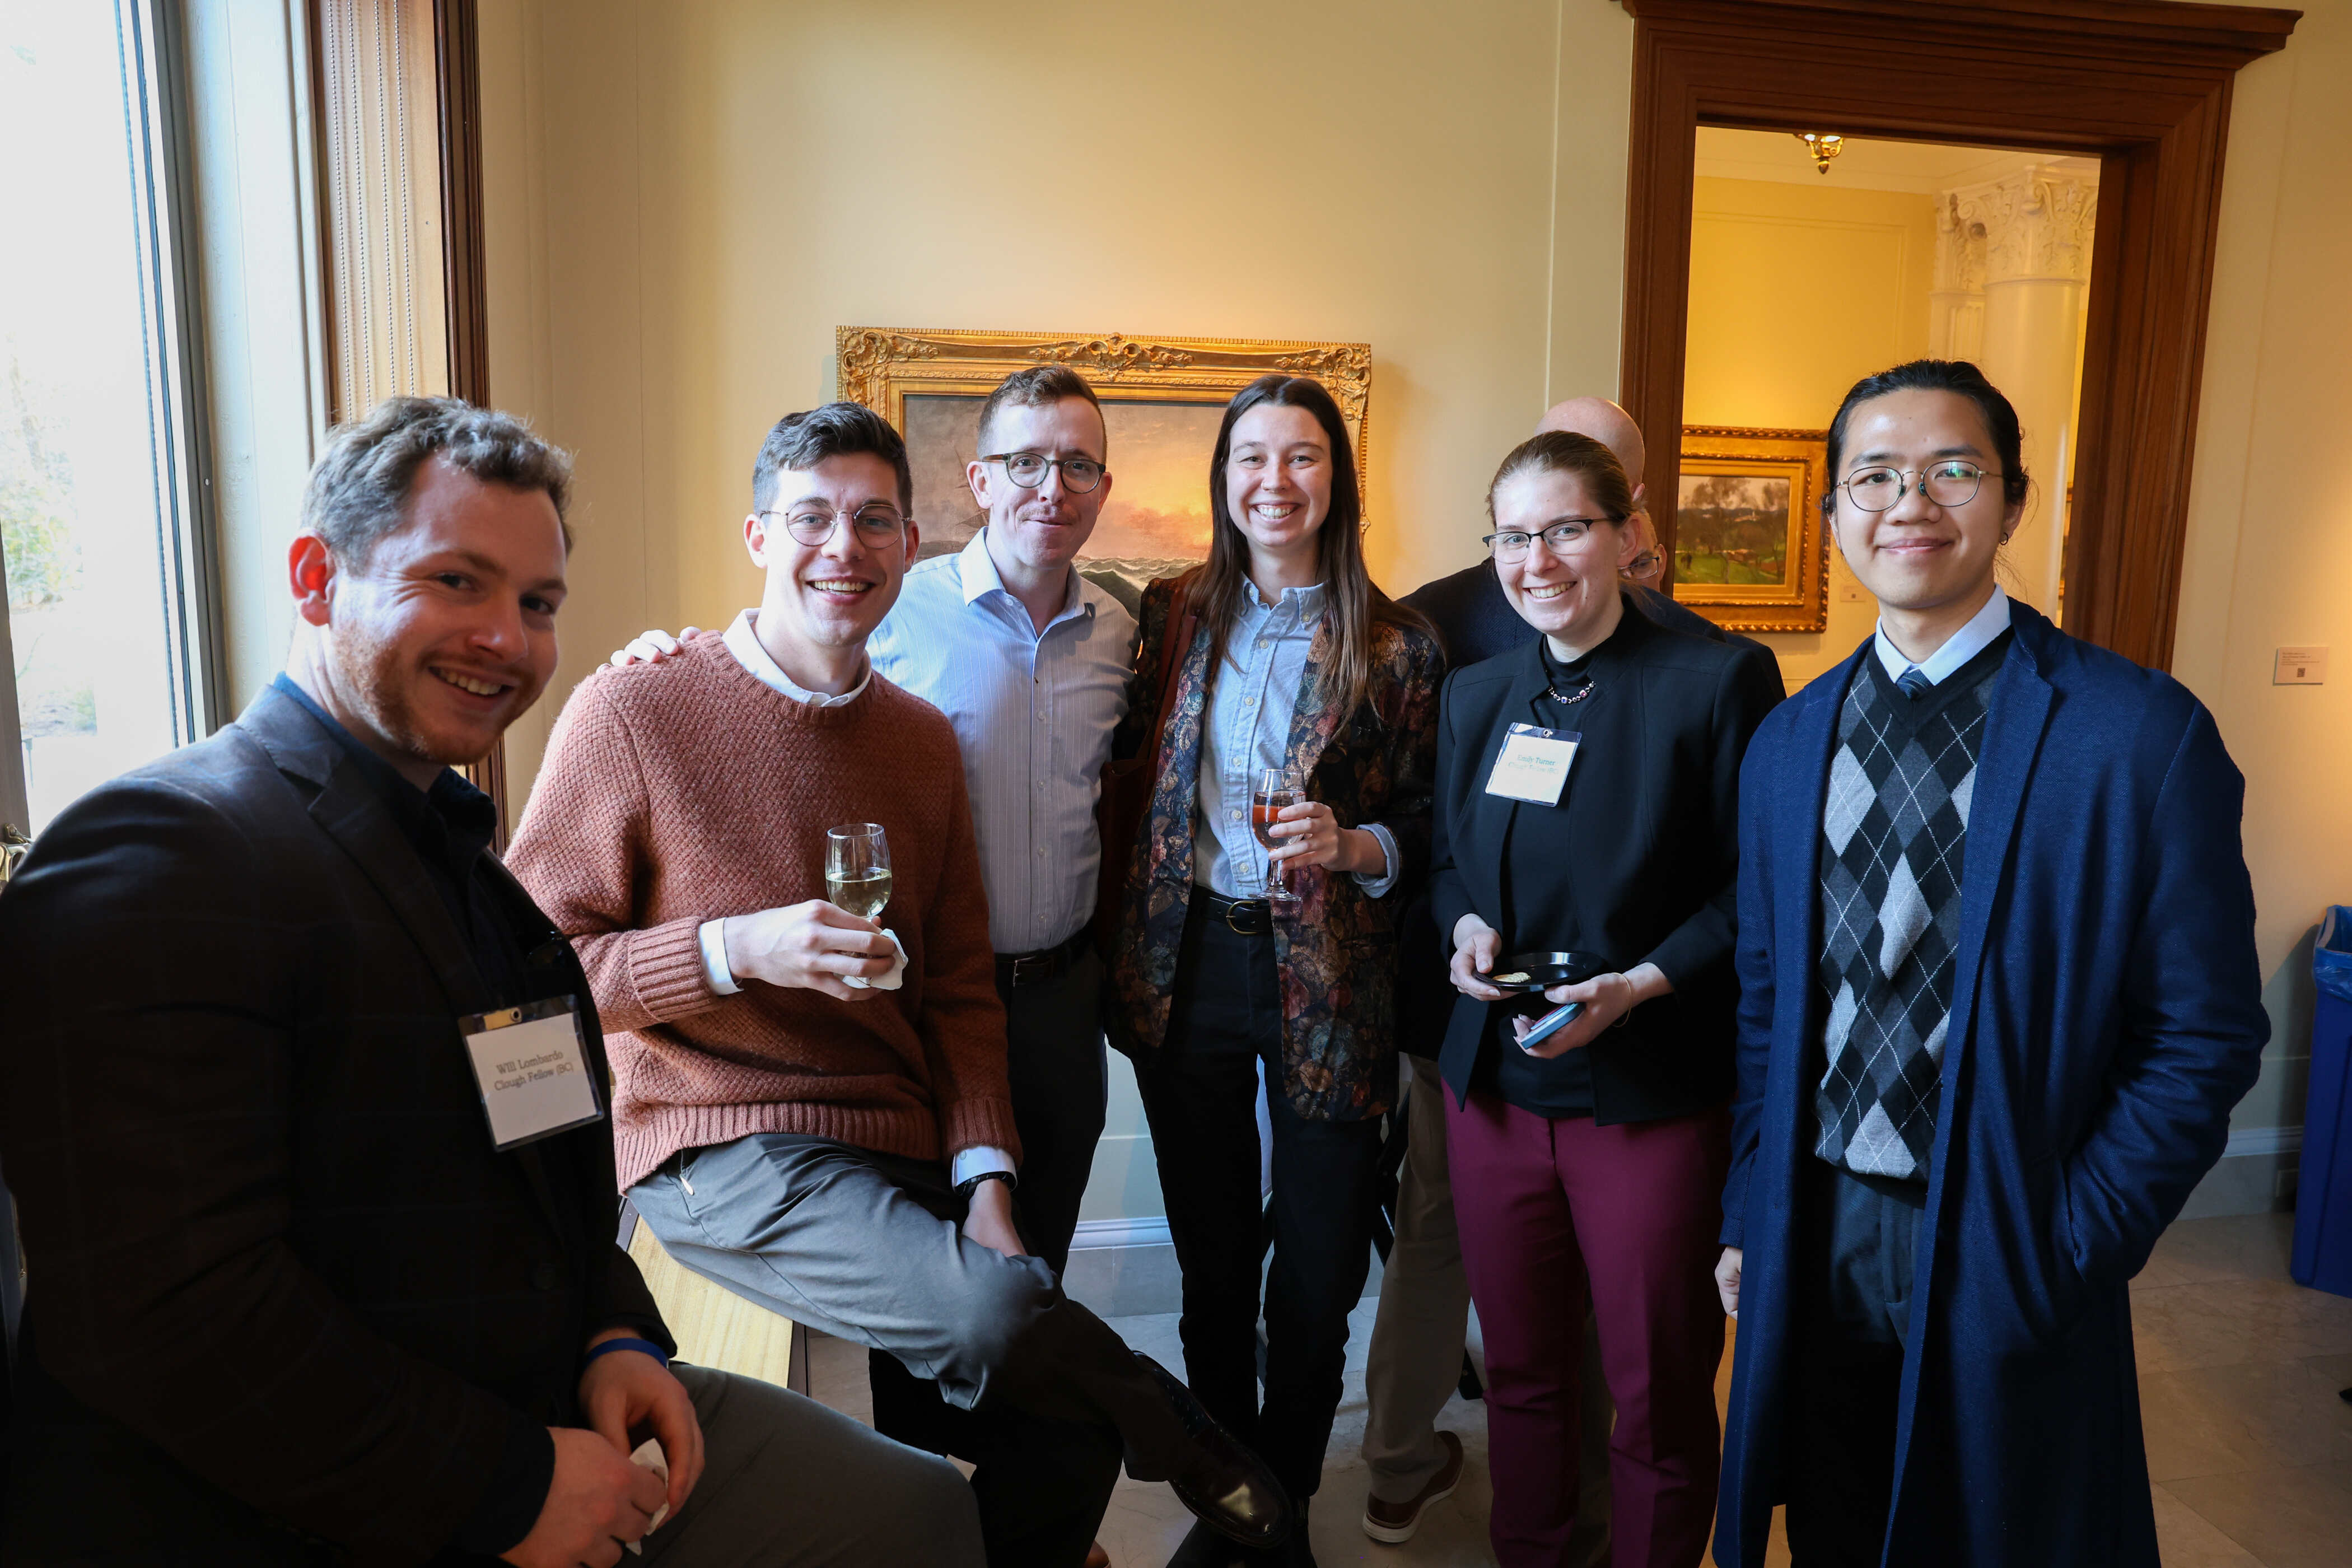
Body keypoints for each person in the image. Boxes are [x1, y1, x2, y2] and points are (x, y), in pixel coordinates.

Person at [0, 396, 985, 1566]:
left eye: (537, 603)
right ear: (316, 578)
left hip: (559, 1392)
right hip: (311, 1497)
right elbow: (166, 1319)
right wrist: (507, 1487)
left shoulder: (475, 878)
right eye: (457, 581)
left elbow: (544, 1149)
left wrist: (613, 1330)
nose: (508, 640)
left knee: (927, 1514)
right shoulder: (161, 855)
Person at [505, 402, 1290, 1568]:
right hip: (722, 1144)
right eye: (811, 518)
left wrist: (986, 1181)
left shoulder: (919, 739)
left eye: (875, 520)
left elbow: (961, 990)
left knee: (1063, 1429)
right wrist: (732, 950)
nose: (845, 546)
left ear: (910, 543)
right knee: (1003, 1315)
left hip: (892, 1136)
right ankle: (1177, 1428)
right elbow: (534, 982)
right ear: (758, 536)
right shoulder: (634, 708)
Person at [1713, 360, 2269, 1567]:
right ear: (1835, 510)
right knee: (1839, 1517)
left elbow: (2205, 1033)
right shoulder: (1789, 740)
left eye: (1953, 471)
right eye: (1875, 476)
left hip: (2006, 1219)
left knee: (2001, 1526)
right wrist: (1749, 1208)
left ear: (2012, 502)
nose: (1910, 503)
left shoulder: (2136, 734)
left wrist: (2077, 1238)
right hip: (1818, 1214)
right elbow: (1766, 1007)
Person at [1362, 396, 1781, 1555]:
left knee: (1655, 1391)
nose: (1535, 562)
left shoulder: (1718, 681)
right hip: (1496, 1088)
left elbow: (1759, 890)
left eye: (1565, 531)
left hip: (1649, 1093)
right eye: (1512, 537)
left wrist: (1640, 983)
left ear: (1627, 534)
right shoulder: (1480, 694)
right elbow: (1453, 861)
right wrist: (1462, 928)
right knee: (1525, 1376)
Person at [610, 365, 1135, 1278]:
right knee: (933, 1266)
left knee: (1034, 1258)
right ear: (979, 480)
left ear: (1102, 486)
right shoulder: (894, 603)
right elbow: (784, 669)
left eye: (1078, 466)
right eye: (1025, 463)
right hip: (915, 1001)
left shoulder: (1123, 633)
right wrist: (670, 659)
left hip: (1061, 998)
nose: (1052, 488)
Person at [1106, 374, 1444, 1567]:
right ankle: (1230, 1493)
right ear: (1224, 477)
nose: (1275, 481)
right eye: (1251, 457)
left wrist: (1357, 846)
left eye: (1302, 456)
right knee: (1210, 1256)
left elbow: (1430, 822)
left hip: (1333, 979)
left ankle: (1286, 1491)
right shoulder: (1172, 614)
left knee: (1317, 1261)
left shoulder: (1398, 645)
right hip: (1191, 958)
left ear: (1337, 479)